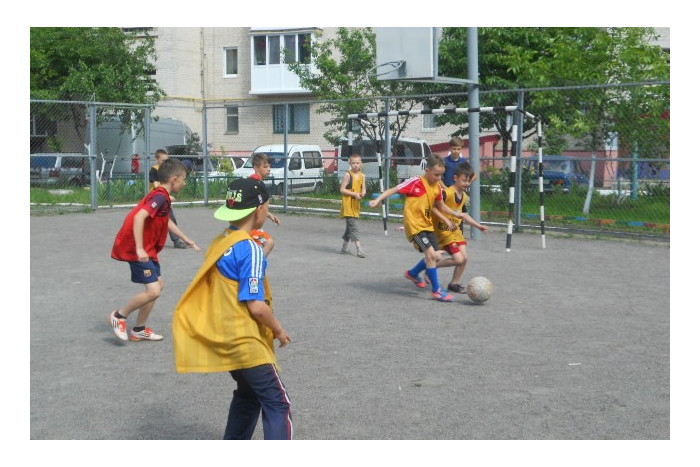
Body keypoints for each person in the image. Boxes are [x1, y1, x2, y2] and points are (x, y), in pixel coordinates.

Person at [172, 177, 293, 440]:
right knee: (278, 404)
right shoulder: (250, 248)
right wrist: (279, 330)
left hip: (227, 338)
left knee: (248, 397)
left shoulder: (222, 241)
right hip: (246, 343)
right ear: (260, 210)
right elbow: (257, 306)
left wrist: (264, 253)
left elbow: (234, 278)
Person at [109, 158, 201, 342]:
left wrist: (187, 239)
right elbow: (139, 218)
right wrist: (140, 248)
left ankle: (139, 329)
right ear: (174, 179)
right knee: (153, 291)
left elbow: (166, 221)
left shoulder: (163, 197)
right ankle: (119, 316)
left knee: (158, 286)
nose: (184, 183)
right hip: (138, 250)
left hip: (148, 250)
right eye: (183, 179)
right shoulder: (159, 196)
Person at [369, 156, 458, 302]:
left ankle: (412, 273)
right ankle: (437, 291)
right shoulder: (416, 182)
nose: (439, 178)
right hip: (415, 226)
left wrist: (452, 216)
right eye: (436, 174)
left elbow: (440, 206)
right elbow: (393, 190)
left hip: (428, 225)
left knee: (437, 256)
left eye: (441, 175)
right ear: (427, 170)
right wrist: (378, 200)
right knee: (430, 255)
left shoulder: (436, 187)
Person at [430, 162, 489, 294]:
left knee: (464, 258)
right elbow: (433, 207)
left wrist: (478, 226)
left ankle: (454, 284)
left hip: (455, 232)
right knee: (458, 259)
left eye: (468, 181)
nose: (467, 183)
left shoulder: (464, 197)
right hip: (444, 231)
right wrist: (445, 218)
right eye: (464, 180)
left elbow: (464, 216)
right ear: (456, 178)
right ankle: (431, 267)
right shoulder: (446, 193)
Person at [150, 149, 188, 249]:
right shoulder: (154, 170)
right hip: (155, 200)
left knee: (170, 219)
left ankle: (175, 241)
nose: (165, 163)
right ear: (156, 159)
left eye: (167, 160)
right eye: (163, 160)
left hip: (163, 200)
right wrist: (167, 195)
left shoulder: (167, 171)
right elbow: (157, 185)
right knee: (158, 221)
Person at [249, 153, 281, 254]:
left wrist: (270, 215)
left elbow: (258, 205)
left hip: (251, 225)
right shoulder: (255, 184)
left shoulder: (255, 182)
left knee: (256, 247)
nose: (269, 169)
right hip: (250, 226)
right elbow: (255, 206)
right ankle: (258, 265)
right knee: (269, 243)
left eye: (269, 167)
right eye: (265, 167)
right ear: (256, 168)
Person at [339, 154, 367, 258]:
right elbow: (342, 189)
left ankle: (344, 247)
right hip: (348, 206)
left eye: (357, 163)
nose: (355, 165)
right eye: (353, 163)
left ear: (361, 164)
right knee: (354, 227)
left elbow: (363, 188)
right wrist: (354, 194)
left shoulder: (362, 176)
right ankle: (359, 250)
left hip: (356, 205)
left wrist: (362, 193)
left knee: (349, 228)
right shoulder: (348, 175)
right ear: (349, 163)